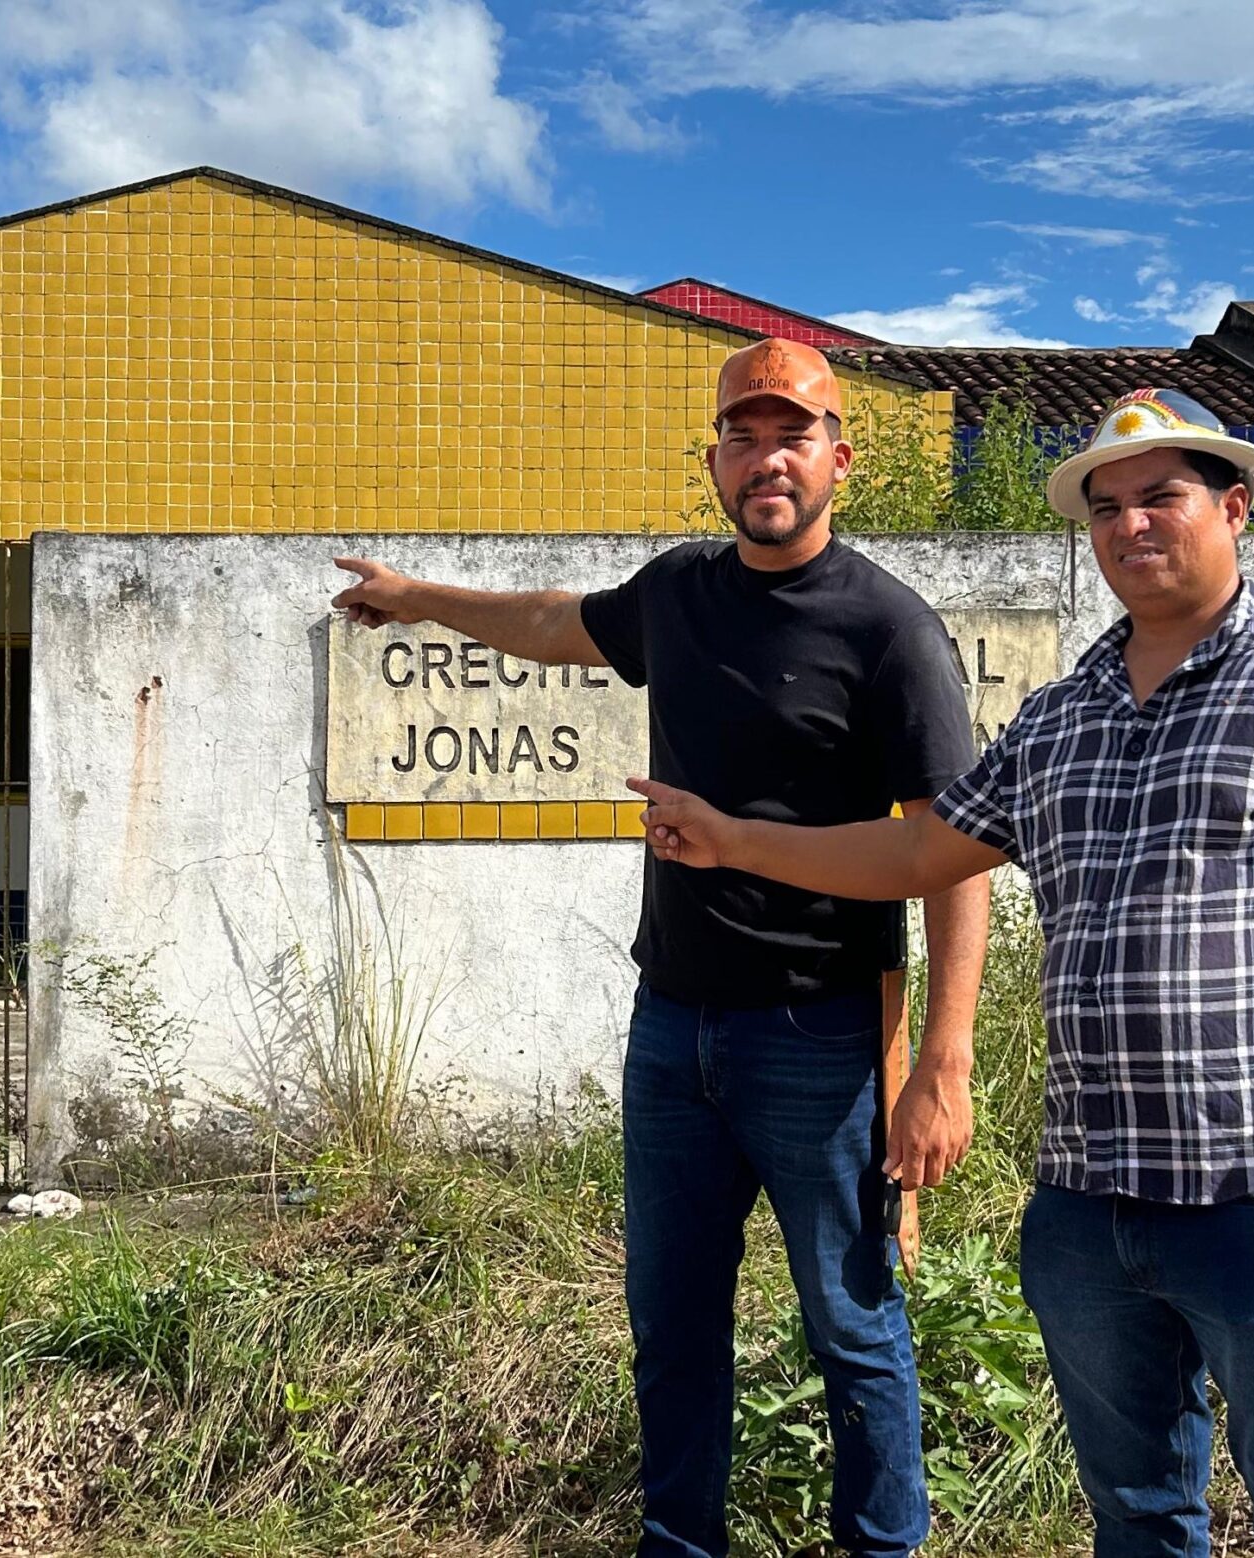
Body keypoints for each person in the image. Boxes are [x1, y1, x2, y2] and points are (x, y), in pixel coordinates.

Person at [631, 387, 1254, 1558]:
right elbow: (923, 849)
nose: (1132, 526)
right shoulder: (1060, 716)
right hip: (1084, 1199)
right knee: (1132, 1513)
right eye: (1107, 507)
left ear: (1231, 507)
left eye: (1162, 498)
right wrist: (734, 840)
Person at [331, 337, 989, 1558]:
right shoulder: (680, 592)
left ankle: (880, 1546)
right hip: (672, 1031)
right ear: (714, 460)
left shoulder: (890, 628)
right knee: (673, 1326)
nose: (765, 457)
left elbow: (949, 855)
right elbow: (553, 622)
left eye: (791, 434)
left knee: (853, 1328)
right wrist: (417, 596)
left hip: (824, 1036)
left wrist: (940, 1064)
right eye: (742, 435)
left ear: (838, 457)